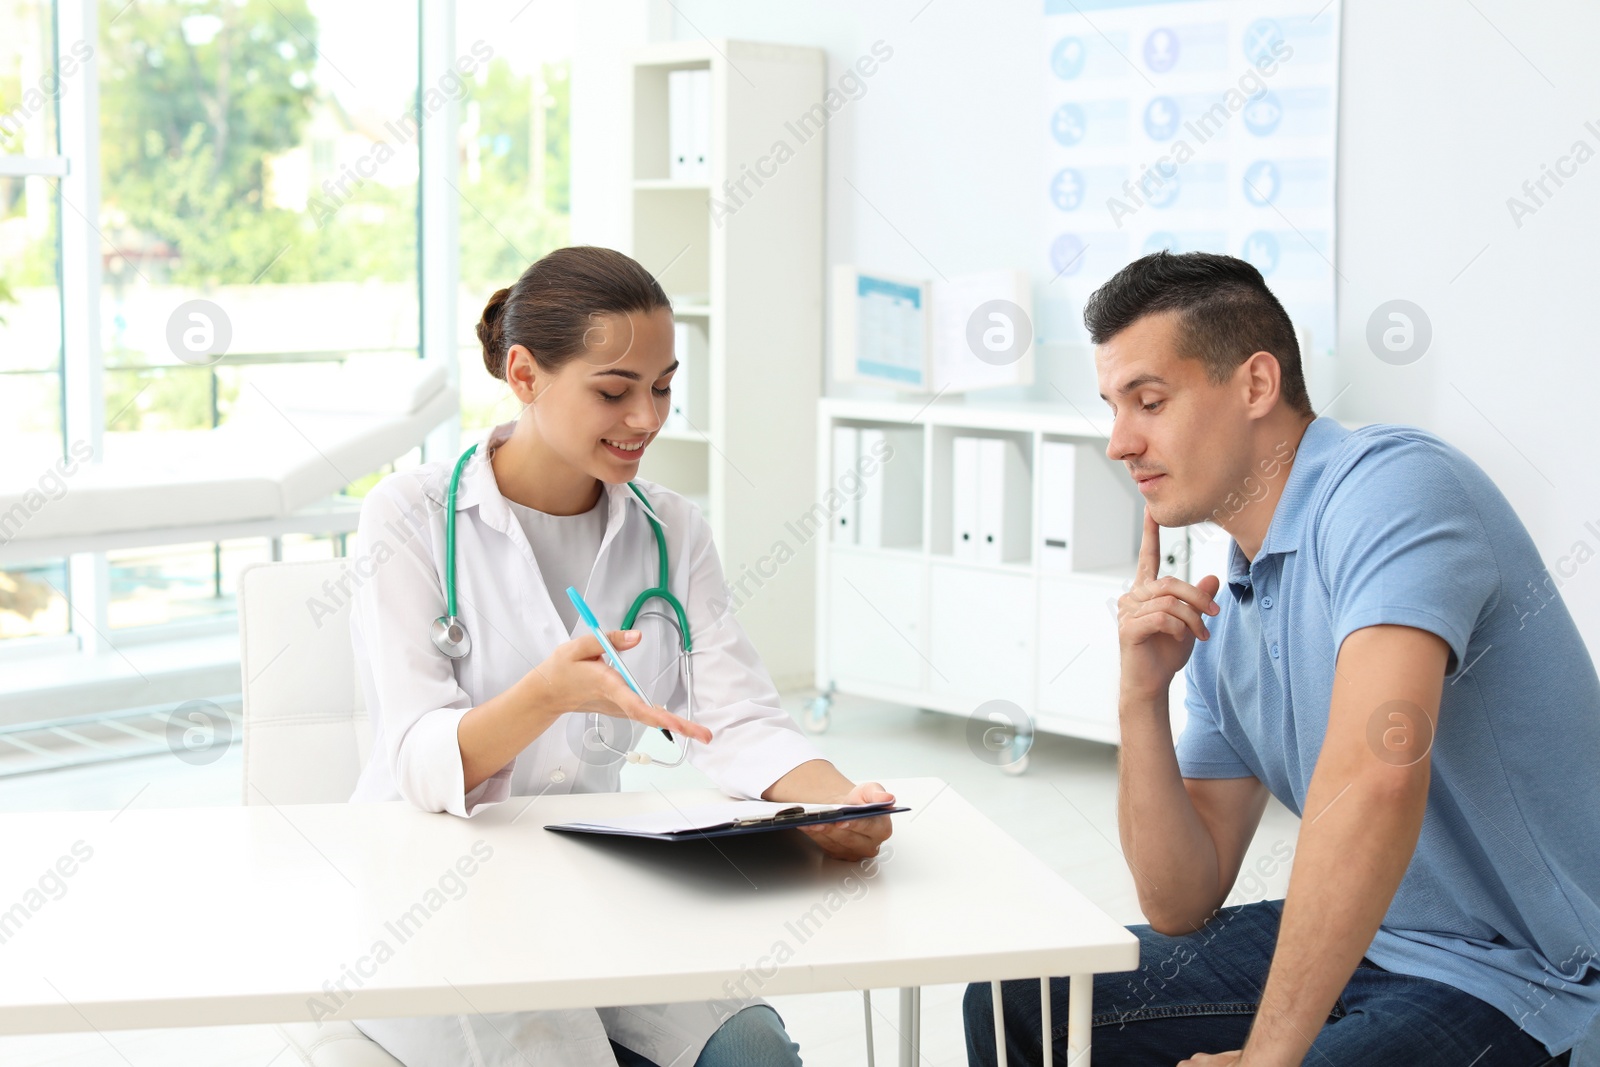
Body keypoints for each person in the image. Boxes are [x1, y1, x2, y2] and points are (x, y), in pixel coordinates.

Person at [965, 251, 1597, 1066]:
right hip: (1378, 935)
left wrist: (1269, 1060)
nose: (1120, 442)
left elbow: (1378, 773)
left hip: (1523, 971)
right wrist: (1139, 697)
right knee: (1029, 1002)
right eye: (1113, 407)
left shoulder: (1394, 489)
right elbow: (1178, 899)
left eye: (1149, 401)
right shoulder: (1230, 606)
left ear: (1257, 385)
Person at [346, 245, 893, 1067]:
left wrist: (839, 806)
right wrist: (546, 696)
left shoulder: (671, 529)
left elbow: (739, 717)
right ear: (525, 375)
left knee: (755, 1051)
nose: (647, 418)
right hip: (435, 898)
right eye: (614, 391)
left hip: (589, 879)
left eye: (664, 386)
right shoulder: (410, 516)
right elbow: (420, 758)